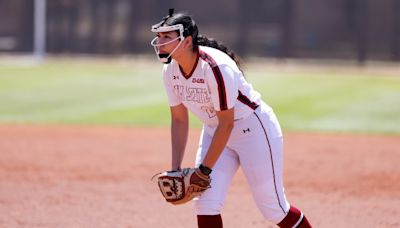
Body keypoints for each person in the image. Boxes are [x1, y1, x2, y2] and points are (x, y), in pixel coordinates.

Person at [150, 9, 312, 228]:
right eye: (159, 37)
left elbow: (227, 123)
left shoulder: (216, 68)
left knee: (274, 209)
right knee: (206, 204)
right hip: (213, 132)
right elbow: (179, 120)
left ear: (187, 41)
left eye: (166, 37)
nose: (159, 42)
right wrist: (176, 168)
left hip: (252, 131)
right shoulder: (170, 71)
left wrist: (204, 171)